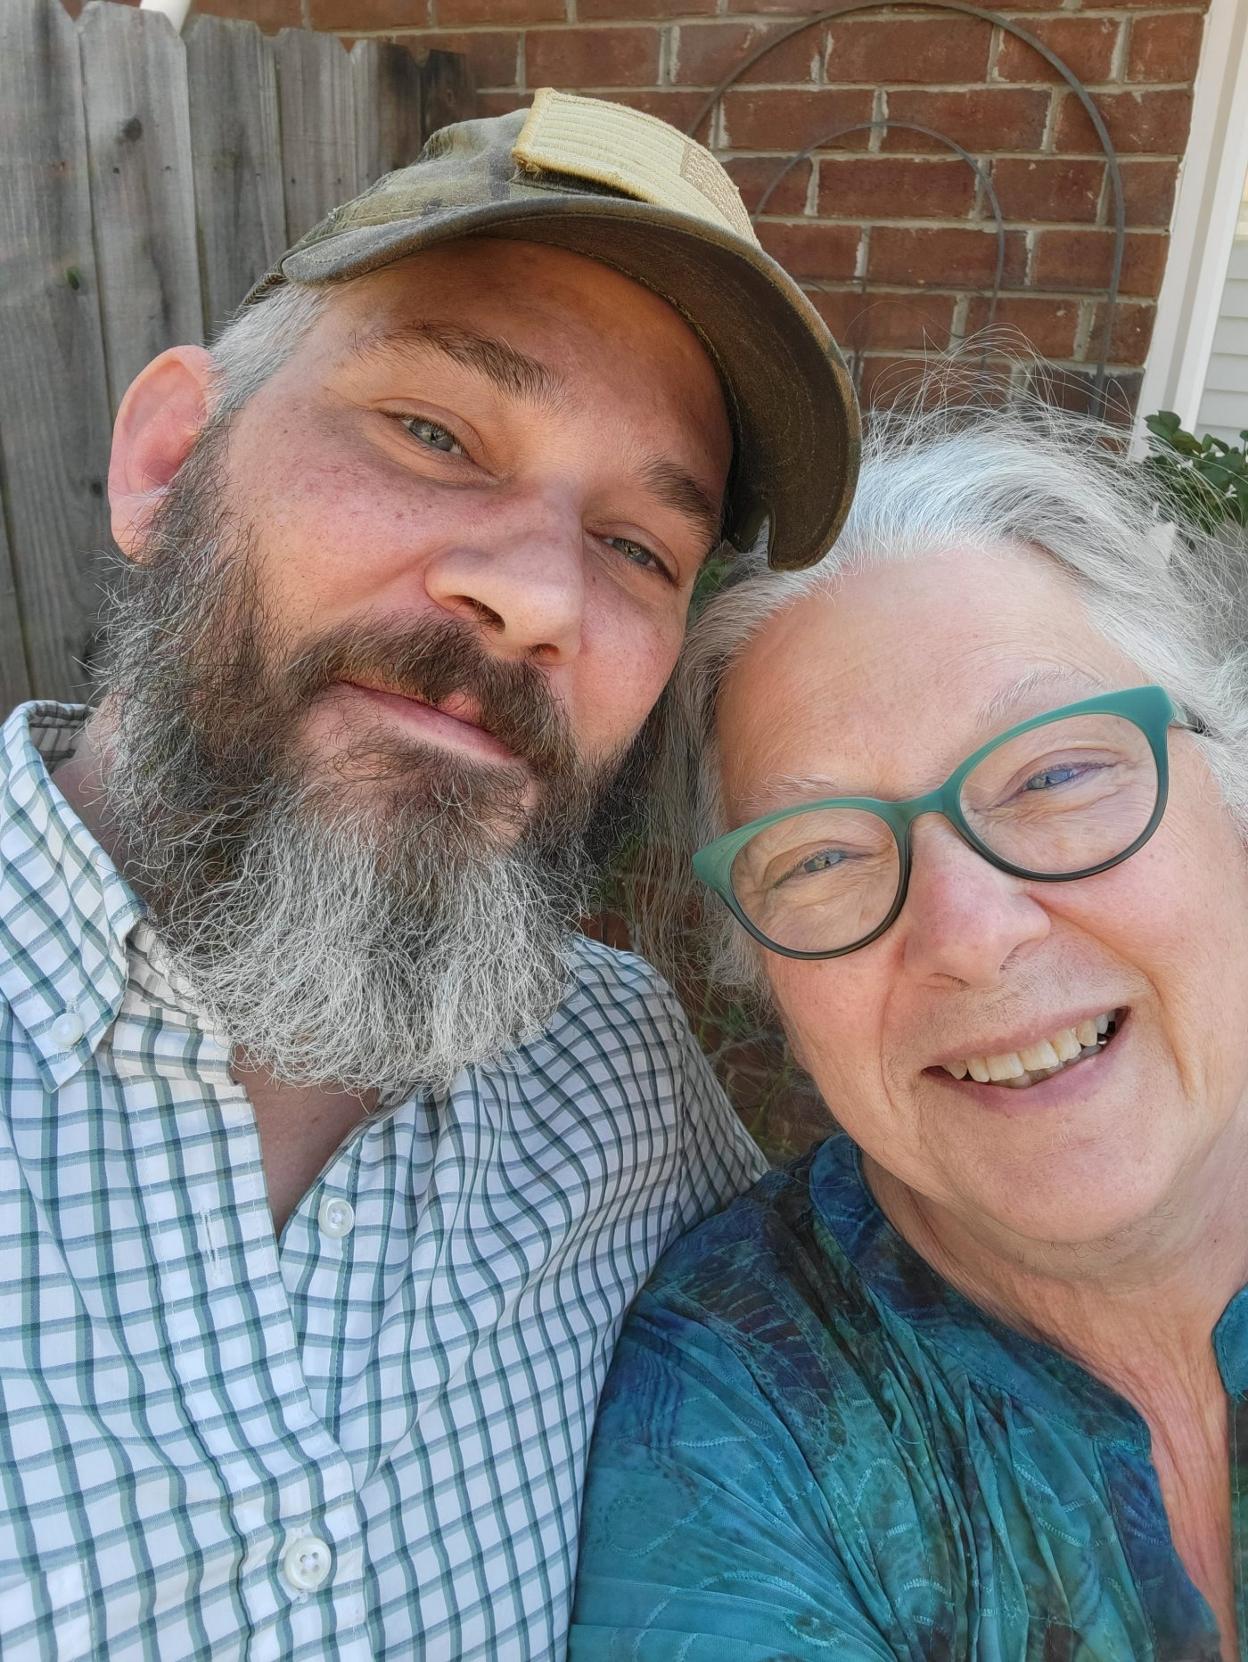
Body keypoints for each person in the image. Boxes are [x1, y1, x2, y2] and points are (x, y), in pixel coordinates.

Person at [0, 89, 859, 1660]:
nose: (536, 594)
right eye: (434, 431)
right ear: (167, 462)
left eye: (640, 550)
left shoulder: (621, 1081)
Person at [572, 402, 1248, 1661]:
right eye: (822, 856)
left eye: (1055, 776)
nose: (971, 932)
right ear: (761, 972)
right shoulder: (742, 1422)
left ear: (1230, 796)